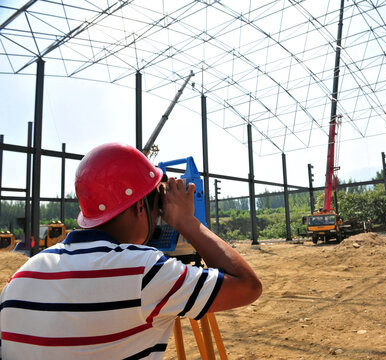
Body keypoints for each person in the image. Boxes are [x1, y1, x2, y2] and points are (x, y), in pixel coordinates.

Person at [0, 142, 262, 359]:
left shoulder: (20, 278)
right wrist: (188, 222)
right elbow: (248, 286)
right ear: (140, 208)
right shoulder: (144, 272)